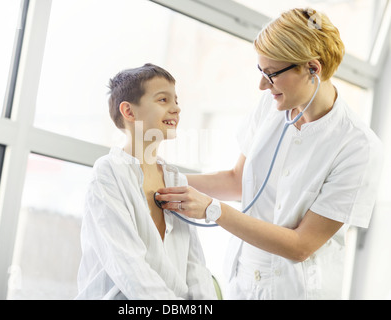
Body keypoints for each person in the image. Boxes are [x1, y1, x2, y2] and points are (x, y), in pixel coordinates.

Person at [155, 8, 383, 299]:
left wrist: (213, 210)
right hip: (244, 279)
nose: (262, 84)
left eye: (272, 74)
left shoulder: (358, 147)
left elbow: (301, 246)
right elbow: (237, 180)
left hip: (295, 290)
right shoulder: (272, 104)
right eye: (261, 71)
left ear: (313, 69)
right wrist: (162, 177)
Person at [75, 63, 217, 300]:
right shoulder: (108, 174)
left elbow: (196, 268)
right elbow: (129, 269)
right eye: (163, 100)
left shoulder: (176, 180)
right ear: (129, 112)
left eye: (177, 101)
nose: (176, 109)